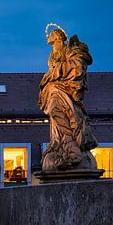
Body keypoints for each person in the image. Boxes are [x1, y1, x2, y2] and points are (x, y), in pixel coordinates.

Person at [38, 28, 97, 171]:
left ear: (59, 38)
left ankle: (71, 147)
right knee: (53, 109)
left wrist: (56, 72)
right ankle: (62, 144)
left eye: (52, 39)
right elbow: (52, 72)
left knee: (56, 106)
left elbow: (77, 67)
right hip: (55, 88)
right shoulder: (52, 55)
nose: (51, 44)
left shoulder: (71, 50)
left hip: (68, 89)